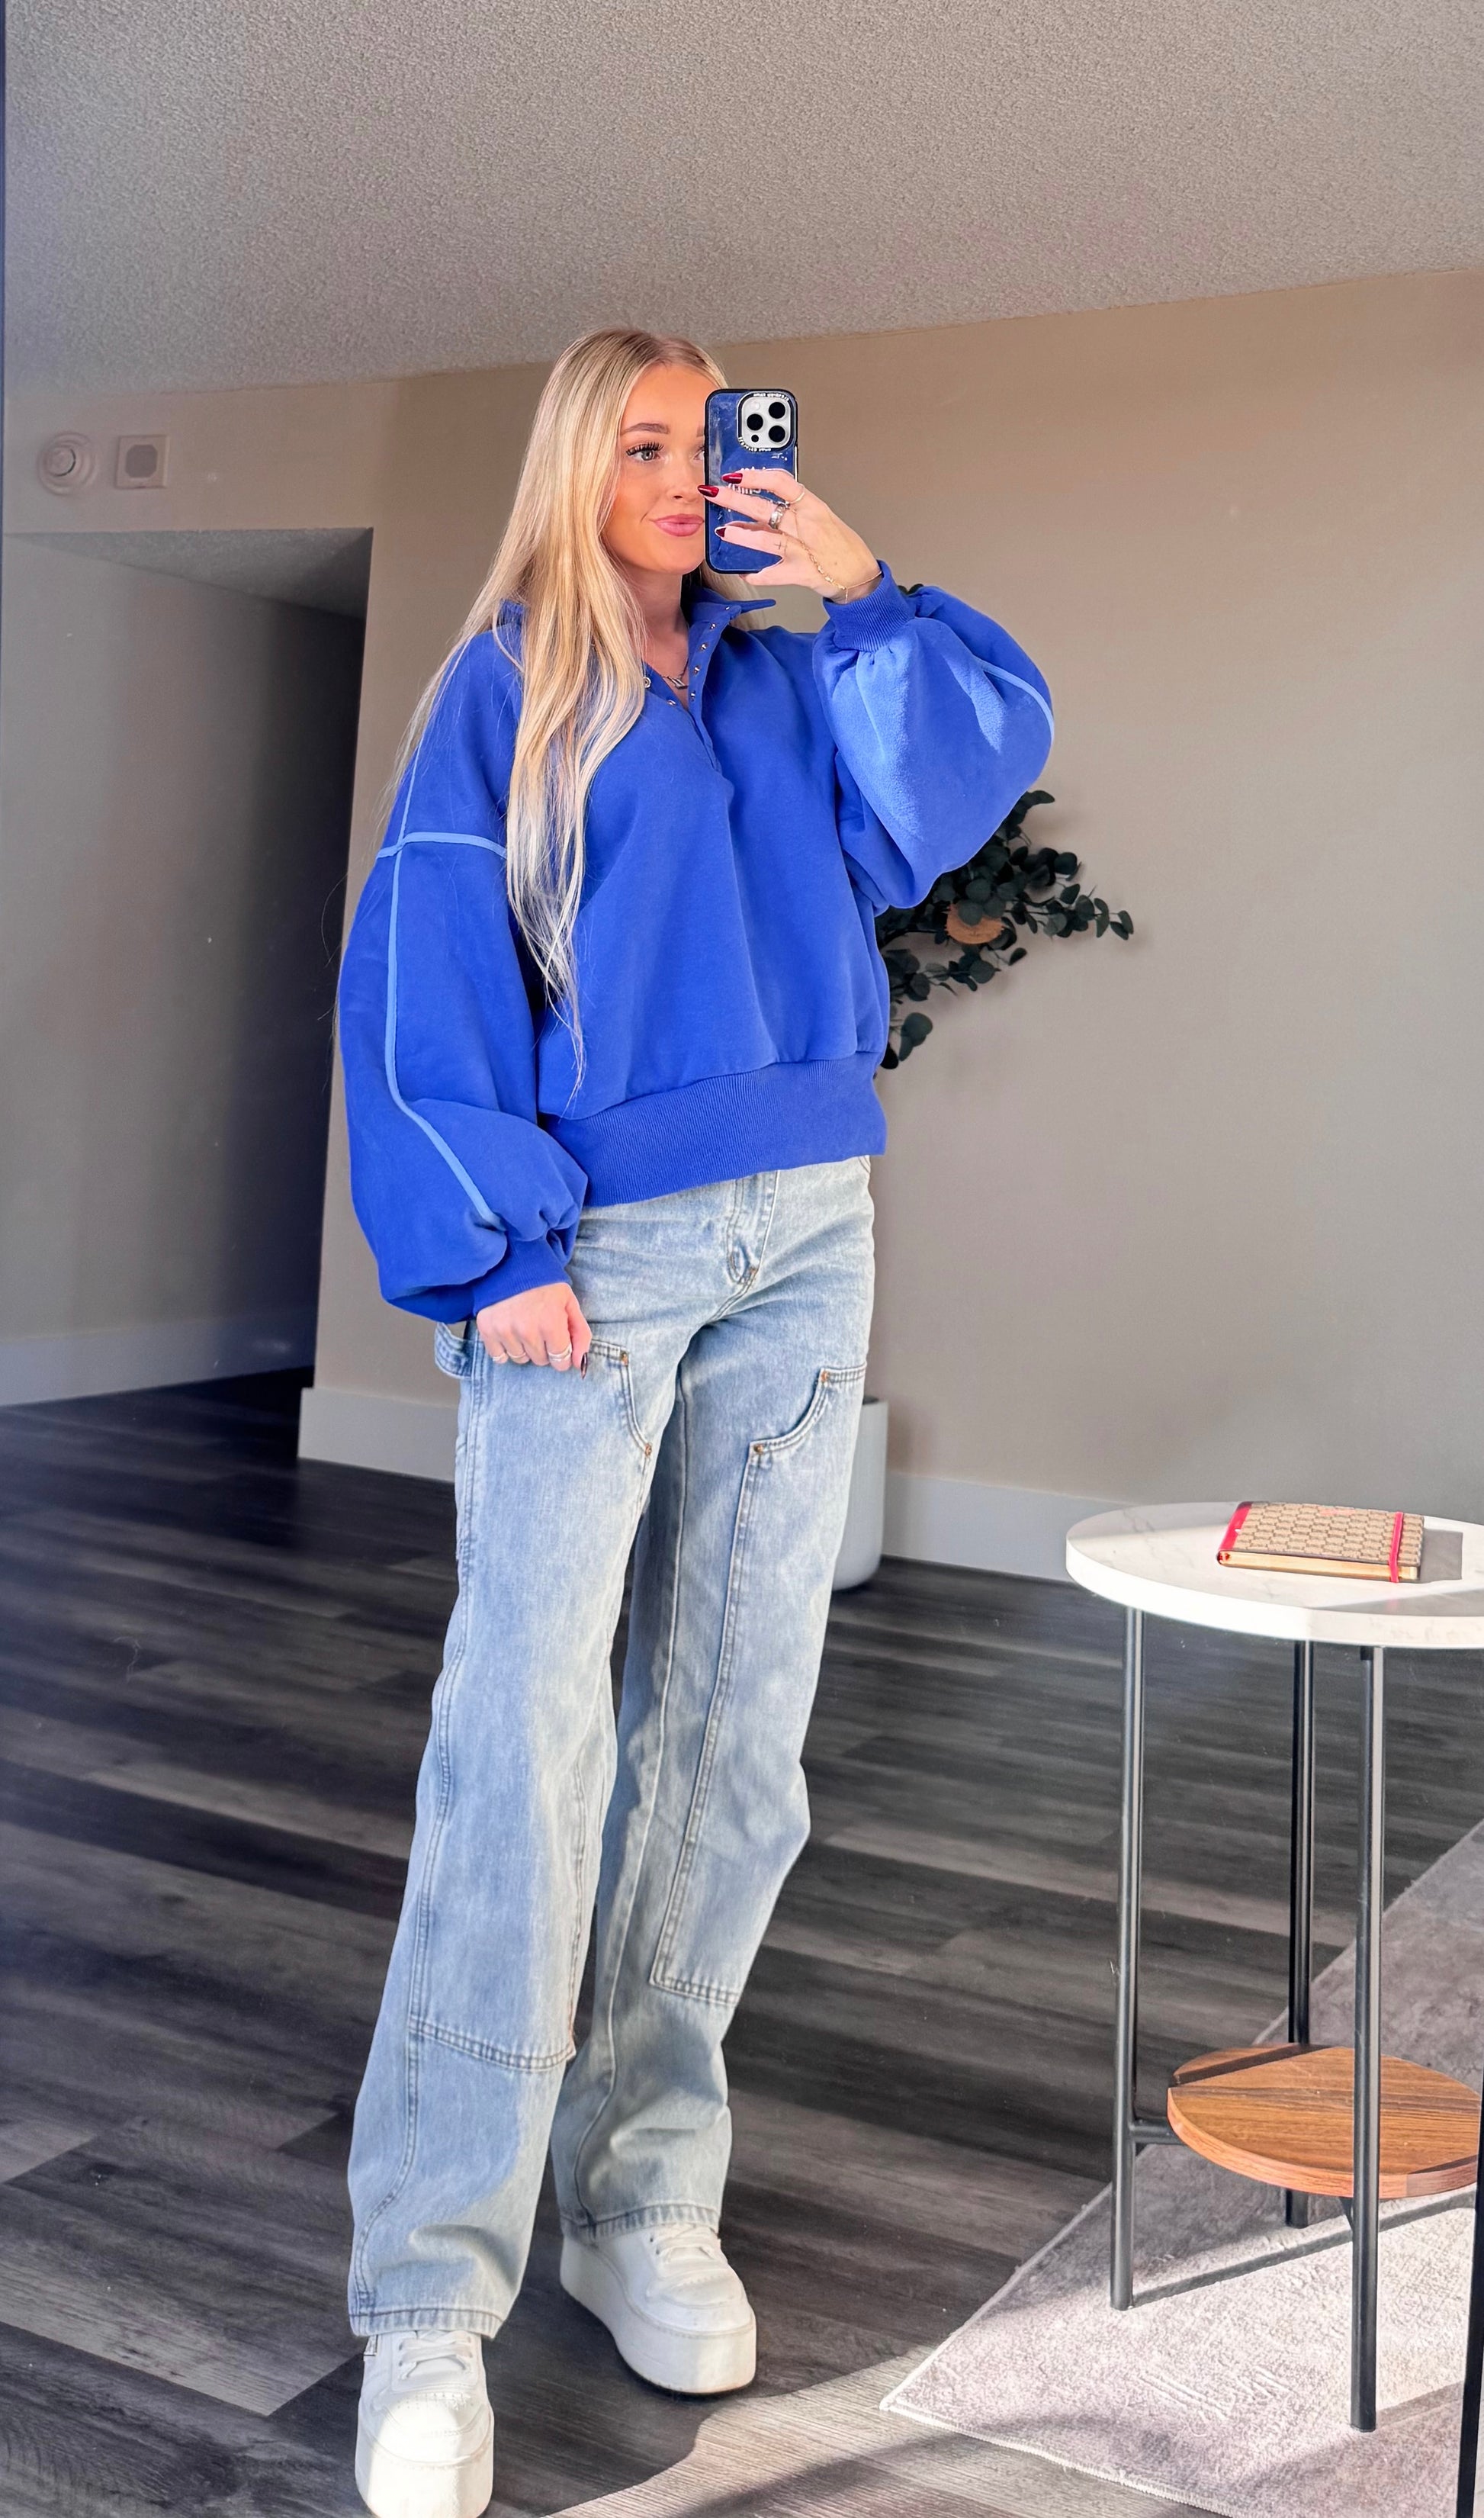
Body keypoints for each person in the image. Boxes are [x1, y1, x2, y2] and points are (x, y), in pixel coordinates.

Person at [336, 326, 1052, 2518]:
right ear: (575, 466)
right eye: (636, 441)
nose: (677, 472)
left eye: (706, 438)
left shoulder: (786, 672)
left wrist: (861, 582)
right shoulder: (505, 692)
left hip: (809, 1228)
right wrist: (497, 1246)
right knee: (526, 1747)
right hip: (598, 1252)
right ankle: (429, 2297)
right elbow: (419, 980)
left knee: (736, 1746)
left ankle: (640, 2192)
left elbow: (961, 788)